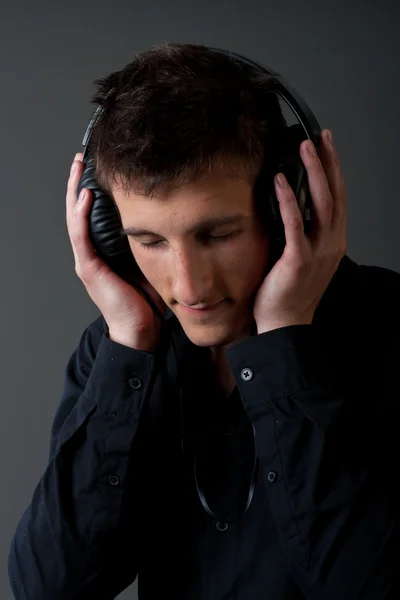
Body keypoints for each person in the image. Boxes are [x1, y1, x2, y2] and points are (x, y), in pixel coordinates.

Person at [8, 42, 399, 600]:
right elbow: (48, 587)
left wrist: (284, 343)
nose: (187, 285)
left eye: (217, 235)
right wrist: (128, 342)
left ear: (294, 205)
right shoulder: (117, 352)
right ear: (109, 234)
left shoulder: (386, 328)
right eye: (149, 240)